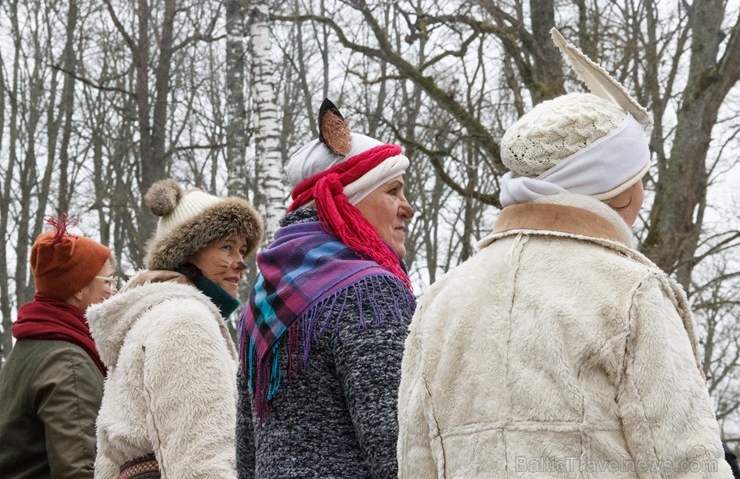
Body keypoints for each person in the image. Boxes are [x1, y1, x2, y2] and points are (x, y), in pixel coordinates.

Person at [397, 28, 731, 477]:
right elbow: (688, 463)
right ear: (617, 190)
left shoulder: (440, 299)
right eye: (639, 175)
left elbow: (416, 462)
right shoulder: (630, 292)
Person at [236, 99, 417, 478]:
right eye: (393, 191)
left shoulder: (265, 296)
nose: (408, 208)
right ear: (346, 200)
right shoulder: (369, 292)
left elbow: (247, 452)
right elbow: (397, 445)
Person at [86, 179, 263, 478]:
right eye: (227, 247)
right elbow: (204, 458)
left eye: (242, 249)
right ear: (186, 251)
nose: (240, 262)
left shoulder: (149, 318)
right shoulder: (185, 321)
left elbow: (108, 463)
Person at [0, 214, 117, 479]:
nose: (113, 292)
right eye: (107, 282)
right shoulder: (67, 361)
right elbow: (79, 471)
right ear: (77, 289)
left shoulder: (34, 343)